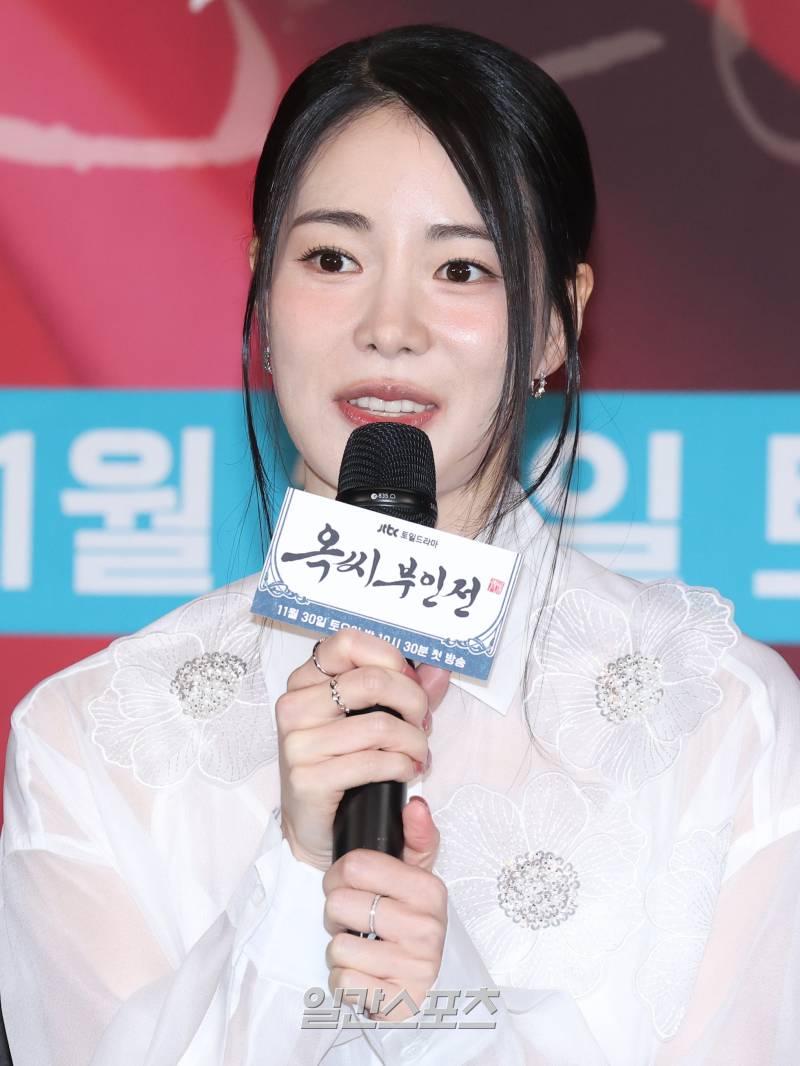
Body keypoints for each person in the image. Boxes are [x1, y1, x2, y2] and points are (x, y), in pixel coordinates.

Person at [1, 22, 798, 1066]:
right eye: (332, 258)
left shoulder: (721, 725)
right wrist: (296, 880)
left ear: (557, 323)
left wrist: (445, 1013)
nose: (390, 325)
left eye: (461, 268)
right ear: (261, 294)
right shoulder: (91, 744)